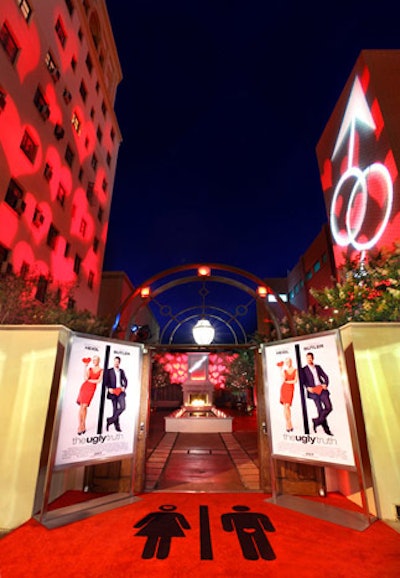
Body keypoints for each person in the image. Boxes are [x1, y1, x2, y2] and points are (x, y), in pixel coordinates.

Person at [301, 352, 333, 435]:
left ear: (313, 358)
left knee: (329, 407)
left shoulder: (318, 367)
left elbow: (325, 376)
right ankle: (327, 430)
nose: (309, 359)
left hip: (321, 389)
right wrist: (308, 387)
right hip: (313, 391)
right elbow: (303, 381)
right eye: (307, 358)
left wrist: (325, 384)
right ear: (306, 359)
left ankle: (316, 421)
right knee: (320, 410)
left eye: (310, 358)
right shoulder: (304, 369)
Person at [76, 355, 103, 435]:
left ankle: (83, 424)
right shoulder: (89, 369)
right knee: (82, 406)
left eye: (96, 360)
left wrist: (90, 380)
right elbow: (85, 378)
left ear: (99, 360)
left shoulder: (102, 370)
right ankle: (81, 425)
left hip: (91, 389)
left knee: (84, 406)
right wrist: (85, 367)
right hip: (84, 387)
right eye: (93, 360)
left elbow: (98, 381)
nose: (94, 361)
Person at [104, 356, 128, 432]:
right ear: (113, 362)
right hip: (113, 392)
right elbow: (105, 381)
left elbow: (125, 380)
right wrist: (109, 388)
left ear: (119, 362)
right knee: (114, 409)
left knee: (122, 407)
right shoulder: (109, 371)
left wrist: (124, 386)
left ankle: (110, 420)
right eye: (115, 361)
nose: (116, 363)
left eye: (118, 361)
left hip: (120, 391)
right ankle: (117, 426)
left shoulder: (121, 371)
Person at [278, 357, 297, 432]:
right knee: (285, 407)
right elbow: (283, 380)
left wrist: (287, 381)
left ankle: (289, 423)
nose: (287, 363)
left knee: (288, 406)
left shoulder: (295, 370)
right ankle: (288, 424)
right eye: (286, 362)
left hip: (290, 389)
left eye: (288, 362)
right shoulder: (284, 371)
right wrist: (280, 369)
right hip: (284, 389)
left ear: (291, 362)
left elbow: (295, 381)